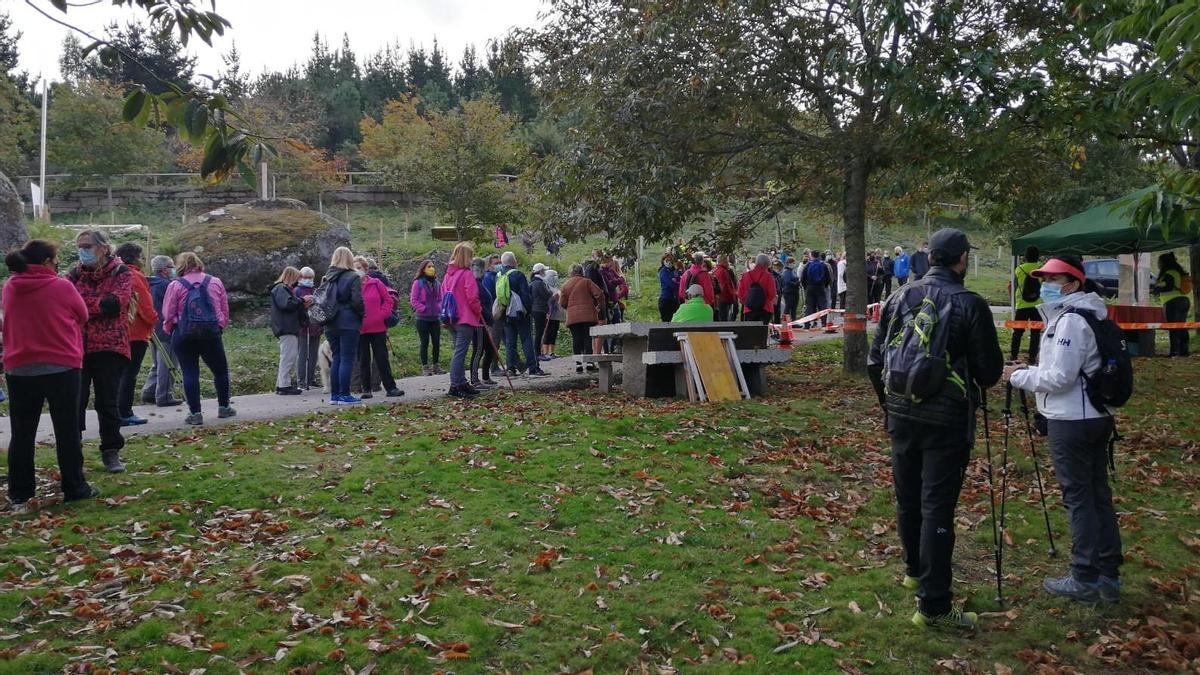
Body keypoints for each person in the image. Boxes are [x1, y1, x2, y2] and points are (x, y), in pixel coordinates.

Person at [867, 227, 1003, 632]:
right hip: (946, 421)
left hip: (901, 414)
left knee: (908, 497)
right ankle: (934, 605)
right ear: (961, 260)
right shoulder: (970, 303)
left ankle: (914, 569)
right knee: (936, 506)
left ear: (929, 259)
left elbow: (875, 361)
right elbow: (989, 372)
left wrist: (889, 403)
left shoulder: (898, 297)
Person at [1006, 255, 1122, 604]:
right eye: (1044, 278)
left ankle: (1085, 575)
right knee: (1097, 493)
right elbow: (1064, 368)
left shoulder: (1071, 321)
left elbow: (1059, 377)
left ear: (1072, 283)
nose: (1045, 285)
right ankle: (1107, 573)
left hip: (1072, 420)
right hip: (1093, 416)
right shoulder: (1088, 313)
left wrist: (1017, 376)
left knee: (1080, 497)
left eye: (1053, 280)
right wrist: (1030, 368)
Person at [4, 240, 100, 511]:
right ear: (47, 261)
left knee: (22, 432)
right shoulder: (61, 286)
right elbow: (82, 315)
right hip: (61, 365)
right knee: (66, 429)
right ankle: (74, 486)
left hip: (20, 366)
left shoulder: (11, 286)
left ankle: (20, 490)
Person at [69, 229, 133, 474]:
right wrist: (97, 306)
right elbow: (66, 304)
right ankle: (74, 454)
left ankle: (111, 451)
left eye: (87, 246)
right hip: (77, 347)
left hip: (110, 346)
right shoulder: (74, 274)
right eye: (80, 246)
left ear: (103, 248)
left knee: (107, 402)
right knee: (75, 402)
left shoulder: (121, 272)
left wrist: (83, 307)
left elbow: (115, 304)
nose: (83, 250)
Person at [162, 252, 235, 425]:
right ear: (199, 264)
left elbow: (167, 312)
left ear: (181, 266)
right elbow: (224, 309)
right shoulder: (215, 282)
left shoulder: (175, 285)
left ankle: (195, 413)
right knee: (220, 370)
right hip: (210, 333)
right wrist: (219, 326)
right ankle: (224, 407)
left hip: (184, 333)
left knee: (190, 372)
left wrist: (170, 328)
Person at [114, 243, 158, 427]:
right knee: (129, 374)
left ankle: (117, 411)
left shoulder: (114, 273)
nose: (142, 261)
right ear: (132, 257)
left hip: (117, 331)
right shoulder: (134, 275)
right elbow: (144, 304)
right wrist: (153, 319)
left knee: (118, 374)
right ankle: (125, 412)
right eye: (140, 257)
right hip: (135, 331)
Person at [320, 247, 365, 404]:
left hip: (330, 323)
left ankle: (335, 395)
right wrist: (361, 316)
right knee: (347, 358)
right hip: (348, 322)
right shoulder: (353, 276)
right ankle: (345, 394)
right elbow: (357, 301)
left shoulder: (327, 277)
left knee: (337, 358)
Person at [442, 242, 484, 398]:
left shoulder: (448, 275)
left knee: (457, 351)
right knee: (460, 353)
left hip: (451, 318)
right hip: (465, 317)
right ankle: (455, 385)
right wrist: (478, 310)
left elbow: (443, 294)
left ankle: (461, 382)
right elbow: (472, 297)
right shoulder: (466, 274)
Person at [357, 256, 403, 398]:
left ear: (365, 269)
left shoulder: (376, 283)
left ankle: (391, 388)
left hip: (378, 327)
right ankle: (366, 389)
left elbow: (388, 300)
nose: (356, 270)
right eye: (353, 268)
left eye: (358, 267)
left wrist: (381, 315)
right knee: (363, 359)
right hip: (359, 329)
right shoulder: (351, 286)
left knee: (381, 358)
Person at [140, 255, 182, 407]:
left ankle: (149, 392)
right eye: (171, 266)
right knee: (168, 362)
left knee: (157, 363)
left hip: (152, 329)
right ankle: (164, 395)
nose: (173, 269)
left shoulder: (148, 283)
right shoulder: (166, 285)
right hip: (165, 328)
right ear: (165, 269)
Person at [498, 251, 548, 377]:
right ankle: (533, 367)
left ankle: (510, 368)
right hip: (520, 313)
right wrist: (528, 310)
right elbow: (525, 295)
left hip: (506, 312)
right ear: (513, 261)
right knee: (526, 339)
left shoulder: (498, 275)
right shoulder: (518, 274)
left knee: (510, 342)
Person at [560, 263, 606, 373]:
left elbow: (562, 303)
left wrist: (570, 307)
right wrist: (599, 305)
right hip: (588, 315)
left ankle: (578, 364)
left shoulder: (565, 285)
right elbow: (599, 294)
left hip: (573, 317)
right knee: (587, 338)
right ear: (581, 271)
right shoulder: (587, 282)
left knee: (576, 339)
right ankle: (590, 363)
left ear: (571, 272)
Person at [269, 266, 308, 395]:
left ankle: (281, 384)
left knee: (287, 356)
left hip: (286, 327)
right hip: (286, 327)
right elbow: (287, 304)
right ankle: (284, 385)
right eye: (297, 279)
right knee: (288, 357)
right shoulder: (281, 289)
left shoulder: (281, 289)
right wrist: (302, 301)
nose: (298, 282)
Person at [1152, 252, 1191, 357]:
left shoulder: (1169, 272)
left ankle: (1174, 352)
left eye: (1159, 262)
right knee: (1181, 327)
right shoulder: (1176, 272)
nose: (1158, 264)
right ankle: (1184, 351)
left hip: (1173, 302)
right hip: (1182, 301)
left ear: (1164, 262)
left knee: (1174, 327)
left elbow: (1167, 285)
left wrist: (1156, 287)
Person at [468, 257, 498, 389]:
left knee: (490, 349)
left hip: (487, 320)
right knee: (478, 350)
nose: (479, 271)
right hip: (479, 322)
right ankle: (474, 379)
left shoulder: (481, 283)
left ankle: (485, 376)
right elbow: (475, 302)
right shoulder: (473, 283)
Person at [1010, 246, 1044, 363]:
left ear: (1025, 257)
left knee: (1017, 332)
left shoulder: (1019, 269)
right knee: (1035, 333)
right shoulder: (1041, 268)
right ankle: (1032, 358)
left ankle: (1014, 356)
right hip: (1037, 305)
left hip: (1022, 305)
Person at [410, 259, 443, 375]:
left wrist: (438, 308)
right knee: (424, 342)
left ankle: (436, 365)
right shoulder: (418, 283)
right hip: (422, 319)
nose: (431, 268)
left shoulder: (437, 283)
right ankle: (425, 367)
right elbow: (414, 300)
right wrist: (423, 308)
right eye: (429, 266)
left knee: (436, 342)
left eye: (433, 266)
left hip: (435, 318)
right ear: (423, 269)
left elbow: (440, 298)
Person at [293, 267, 321, 389]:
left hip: (315, 325)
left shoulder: (316, 291)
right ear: (300, 278)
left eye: (310, 277)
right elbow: (295, 307)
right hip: (303, 327)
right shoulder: (296, 291)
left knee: (313, 354)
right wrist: (304, 305)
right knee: (302, 354)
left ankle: (311, 379)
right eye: (305, 277)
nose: (308, 280)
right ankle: (301, 380)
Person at [738, 254, 779, 324]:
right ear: (765, 265)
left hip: (749, 309)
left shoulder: (745, 275)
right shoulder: (768, 276)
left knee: (751, 332)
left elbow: (740, 294)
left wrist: (747, 301)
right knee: (762, 332)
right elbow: (772, 294)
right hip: (765, 308)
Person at [801, 249, 831, 328]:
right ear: (819, 256)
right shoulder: (823, 265)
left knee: (809, 306)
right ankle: (824, 323)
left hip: (810, 287)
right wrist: (824, 285)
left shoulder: (808, 265)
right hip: (820, 287)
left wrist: (805, 287)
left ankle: (807, 324)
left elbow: (802, 277)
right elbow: (828, 278)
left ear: (812, 256)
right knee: (822, 305)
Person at [530, 262, 552, 360]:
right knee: (539, 333)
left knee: (538, 333)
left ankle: (537, 353)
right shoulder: (540, 283)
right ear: (541, 272)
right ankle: (538, 353)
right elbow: (547, 295)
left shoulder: (533, 282)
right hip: (540, 309)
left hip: (535, 309)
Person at [543, 269, 564, 359]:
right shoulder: (546, 287)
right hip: (548, 314)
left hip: (556, 315)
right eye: (553, 276)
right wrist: (553, 298)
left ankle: (552, 352)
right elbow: (546, 301)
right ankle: (545, 352)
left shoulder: (556, 289)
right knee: (547, 332)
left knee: (553, 333)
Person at [713, 254, 738, 321]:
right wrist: (732, 297)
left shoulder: (716, 270)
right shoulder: (723, 271)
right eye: (726, 261)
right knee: (724, 319)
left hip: (719, 299)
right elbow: (725, 287)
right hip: (724, 300)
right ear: (722, 261)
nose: (728, 263)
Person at [658, 253, 681, 321]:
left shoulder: (673, 271)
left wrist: (676, 282)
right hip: (666, 300)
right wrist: (677, 283)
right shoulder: (663, 271)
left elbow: (679, 280)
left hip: (674, 300)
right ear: (663, 261)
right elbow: (671, 285)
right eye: (667, 260)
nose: (669, 262)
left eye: (671, 260)